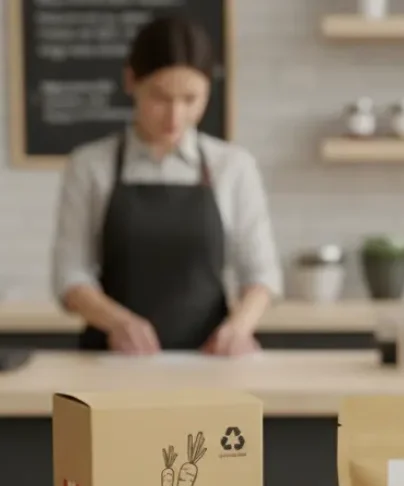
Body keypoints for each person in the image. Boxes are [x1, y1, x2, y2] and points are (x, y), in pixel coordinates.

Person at [51, 15, 282, 355]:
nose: (175, 116)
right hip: (112, 359)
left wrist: (238, 328)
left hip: (210, 361)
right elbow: (70, 275)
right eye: (160, 97)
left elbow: (261, 274)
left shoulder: (233, 166)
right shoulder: (89, 166)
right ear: (131, 81)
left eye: (190, 99)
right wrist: (118, 322)